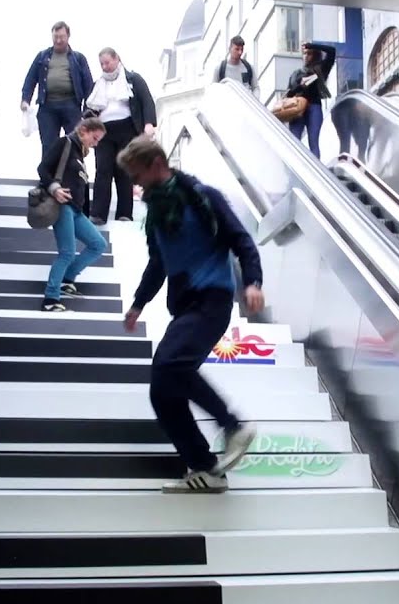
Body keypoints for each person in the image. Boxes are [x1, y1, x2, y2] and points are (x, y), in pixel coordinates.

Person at [117, 137, 264, 493]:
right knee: (162, 390)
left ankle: (232, 426)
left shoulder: (202, 196)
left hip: (212, 300)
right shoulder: (155, 212)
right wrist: (138, 303)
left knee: (170, 366)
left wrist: (253, 282)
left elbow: (241, 239)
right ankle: (205, 468)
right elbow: (158, 263)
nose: (135, 184)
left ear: (155, 163)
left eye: (137, 175)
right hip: (185, 306)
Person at [38, 117, 109, 312]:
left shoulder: (79, 154)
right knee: (67, 252)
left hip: (76, 210)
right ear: (83, 131)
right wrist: (54, 188)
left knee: (98, 244)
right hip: (62, 206)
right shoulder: (65, 143)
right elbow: (42, 168)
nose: (95, 144)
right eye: (94, 138)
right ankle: (50, 299)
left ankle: (66, 279)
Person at [86, 47, 157, 226]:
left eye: (107, 62)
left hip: (127, 128)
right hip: (103, 131)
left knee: (124, 170)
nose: (105, 66)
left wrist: (149, 124)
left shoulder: (134, 79)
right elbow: (88, 109)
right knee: (103, 170)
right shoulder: (97, 85)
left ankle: (125, 213)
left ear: (117, 59)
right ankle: (98, 214)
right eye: (102, 64)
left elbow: (146, 101)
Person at [21, 21, 95, 157]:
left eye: (61, 37)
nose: (58, 40)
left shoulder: (78, 58)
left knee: (74, 143)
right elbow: (30, 79)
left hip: (71, 106)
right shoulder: (42, 56)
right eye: (55, 37)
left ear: (68, 36)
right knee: (49, 144)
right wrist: (25, 99)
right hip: (47, 106)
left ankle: (72, 176)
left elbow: (88, 85)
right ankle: (49, 176)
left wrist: (87, 111)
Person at [284, 41, 337, 158]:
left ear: (315, 55)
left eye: (310, 53)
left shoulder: (321, 69)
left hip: (314, 106)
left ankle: (315, 171)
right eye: (305, 53)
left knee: (313, 142)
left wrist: (313, 45)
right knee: (294, 142)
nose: (306, 56)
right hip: (297, 108)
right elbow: (289, 93)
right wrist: (300, 86)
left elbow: (332, 51)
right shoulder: (296, 74)